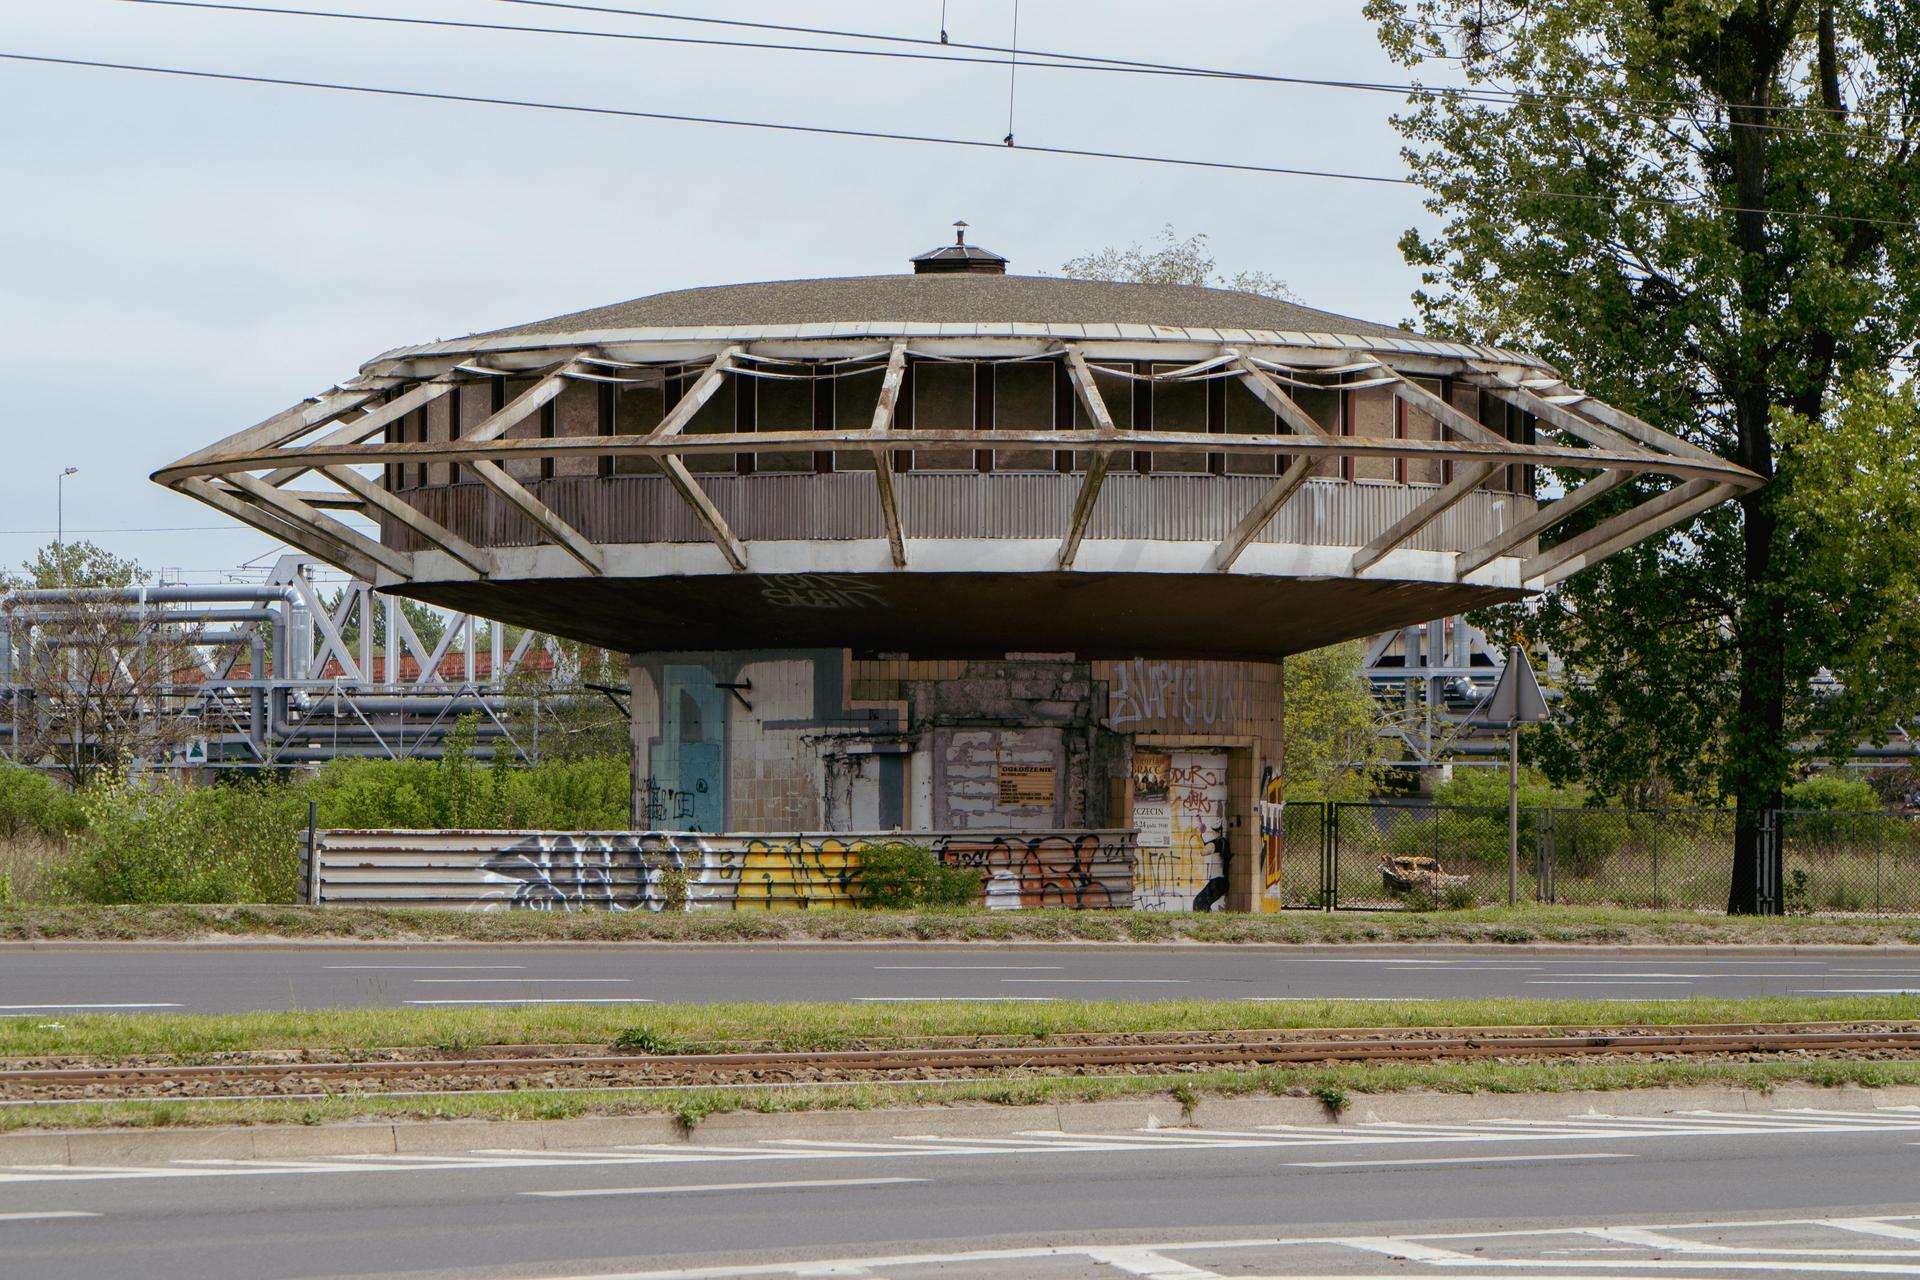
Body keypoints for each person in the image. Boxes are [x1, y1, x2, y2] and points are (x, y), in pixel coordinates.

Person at [1191, 828, 1233, 912]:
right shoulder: (1220, 842)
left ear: (1217, 832)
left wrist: (1199, 837)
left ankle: (1206, 922)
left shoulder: (1220, 842)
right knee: (1200, 902)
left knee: (1199, 902)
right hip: (1218, 881)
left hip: (1218, 881)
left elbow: (1203, 852)